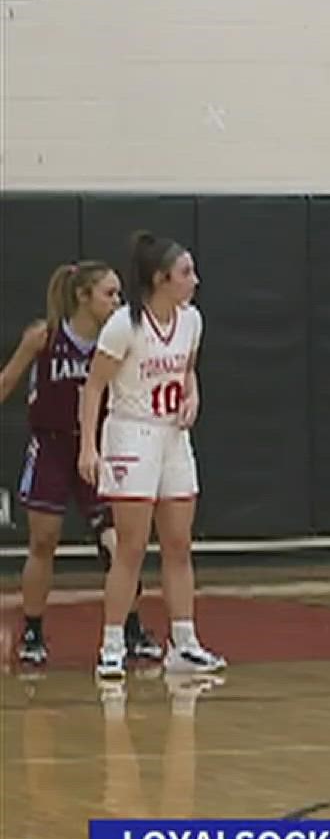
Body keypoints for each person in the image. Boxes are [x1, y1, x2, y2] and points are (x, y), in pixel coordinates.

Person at [77, 231, 227, 679]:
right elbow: (95, 386)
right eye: (186, 273)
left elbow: (188, 371)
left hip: (173, 437)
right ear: (161, 279)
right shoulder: (124, 324)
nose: (195, 280)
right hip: (131, 435)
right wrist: (89, 445)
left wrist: (193, 397)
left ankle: (184, 642)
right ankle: (111, 645)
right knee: (131, 548)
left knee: (179, 545)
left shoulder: (192, 321)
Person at [0, 261, 159, 666]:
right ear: (82, 297)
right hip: (51, 447)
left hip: (99, 447)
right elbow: (6, 382)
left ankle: (131, 627)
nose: (118, 301)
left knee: (117, 546)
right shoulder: (43, 338)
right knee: (43, 541)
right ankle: (33, 630)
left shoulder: (117, 341)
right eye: (110, 293)